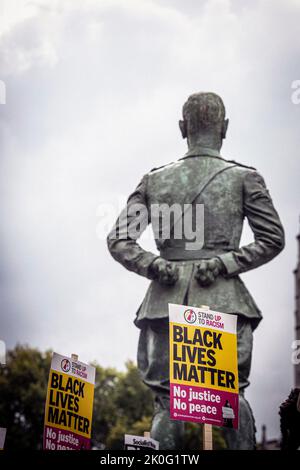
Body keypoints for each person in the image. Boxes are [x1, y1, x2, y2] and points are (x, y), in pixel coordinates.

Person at [107, 92, 285, 449]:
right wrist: (225, 263)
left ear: (182, 128)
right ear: (225, 129)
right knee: (230, 397)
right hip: (225, 303)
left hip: (164, 306)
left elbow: (119, 240)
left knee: (168, 405)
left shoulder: (154, 180)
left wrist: (154, 264)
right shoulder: (245, 178)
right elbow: (273, 238)